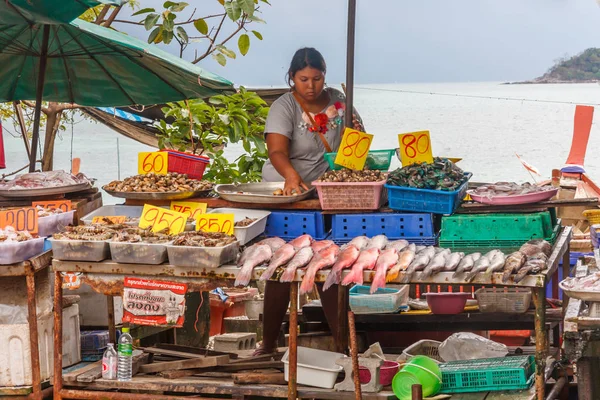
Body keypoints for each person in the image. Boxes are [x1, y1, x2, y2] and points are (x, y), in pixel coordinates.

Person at [255, 48, 364, 355]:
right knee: (281, 266)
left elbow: (357, 146)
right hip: (289, 194)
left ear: (324, 76)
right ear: (292, 78)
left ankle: (343, 347)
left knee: (330, 264)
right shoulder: (284, 106)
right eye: (303, 79)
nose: (311, 85)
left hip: (327, 194)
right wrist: (290, 176)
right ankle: (267, 345)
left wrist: (355, 135)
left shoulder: (341, 103)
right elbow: (276, 151)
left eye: (317, 78)